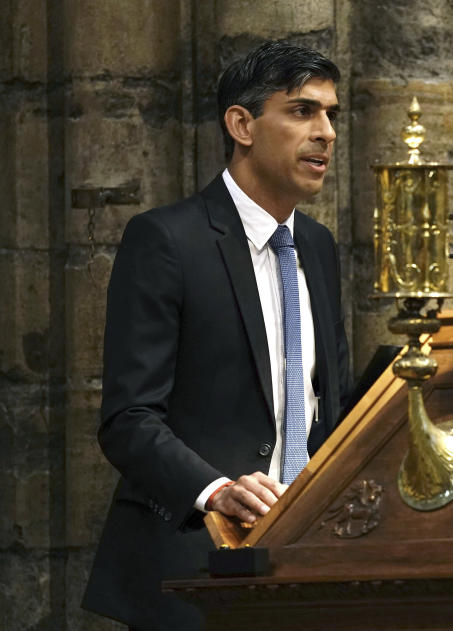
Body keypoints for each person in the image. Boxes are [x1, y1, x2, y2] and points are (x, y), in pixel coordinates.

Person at [81, 41, 352, 630]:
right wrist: (217, 490)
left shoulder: (319, 247)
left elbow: (331, 407)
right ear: (242, 124)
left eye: (332, 114)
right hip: (194, 564)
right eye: (303, 111)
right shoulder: (166, 241)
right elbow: (128, 419)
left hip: (312, 567)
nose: (327, 132)